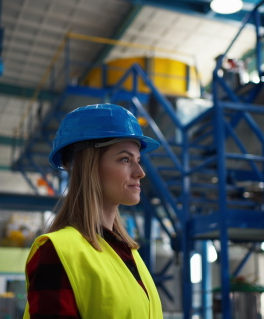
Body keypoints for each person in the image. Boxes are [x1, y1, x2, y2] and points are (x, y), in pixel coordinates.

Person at [23, 103, 163, 318]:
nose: (140, 172)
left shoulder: (129, 253)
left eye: (138, 160)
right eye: (125, 159)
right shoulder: (56, 252)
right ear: (88, 167)